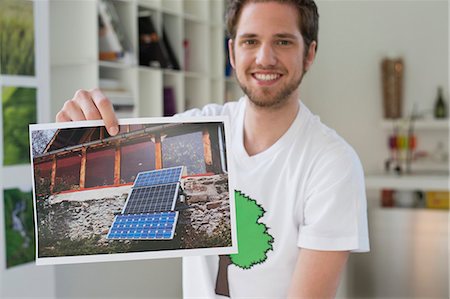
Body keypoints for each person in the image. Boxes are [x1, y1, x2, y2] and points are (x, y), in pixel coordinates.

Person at [56, 0, 370, 297]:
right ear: (232, 53)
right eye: (250, 41)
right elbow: (121, 150)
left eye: (283, 41)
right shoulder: (194, 130)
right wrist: (82, 124)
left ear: (309, 53)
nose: (264, 58)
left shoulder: (332, 164)